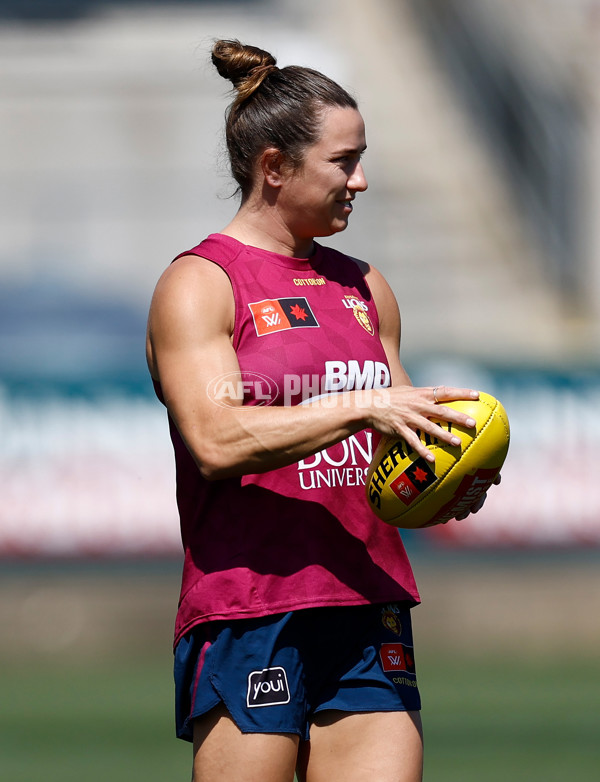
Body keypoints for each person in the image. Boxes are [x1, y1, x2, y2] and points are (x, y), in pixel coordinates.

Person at [146, 39, 489, 782]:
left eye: (362, 157)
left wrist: (446, 474)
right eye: (343, 161)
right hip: (251, 608)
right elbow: (216, 439)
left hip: (368, 602)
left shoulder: (367, 287)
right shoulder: (202, 283)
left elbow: (400, 440)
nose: (360, 180)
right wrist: (361, 406)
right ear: (274, 167)